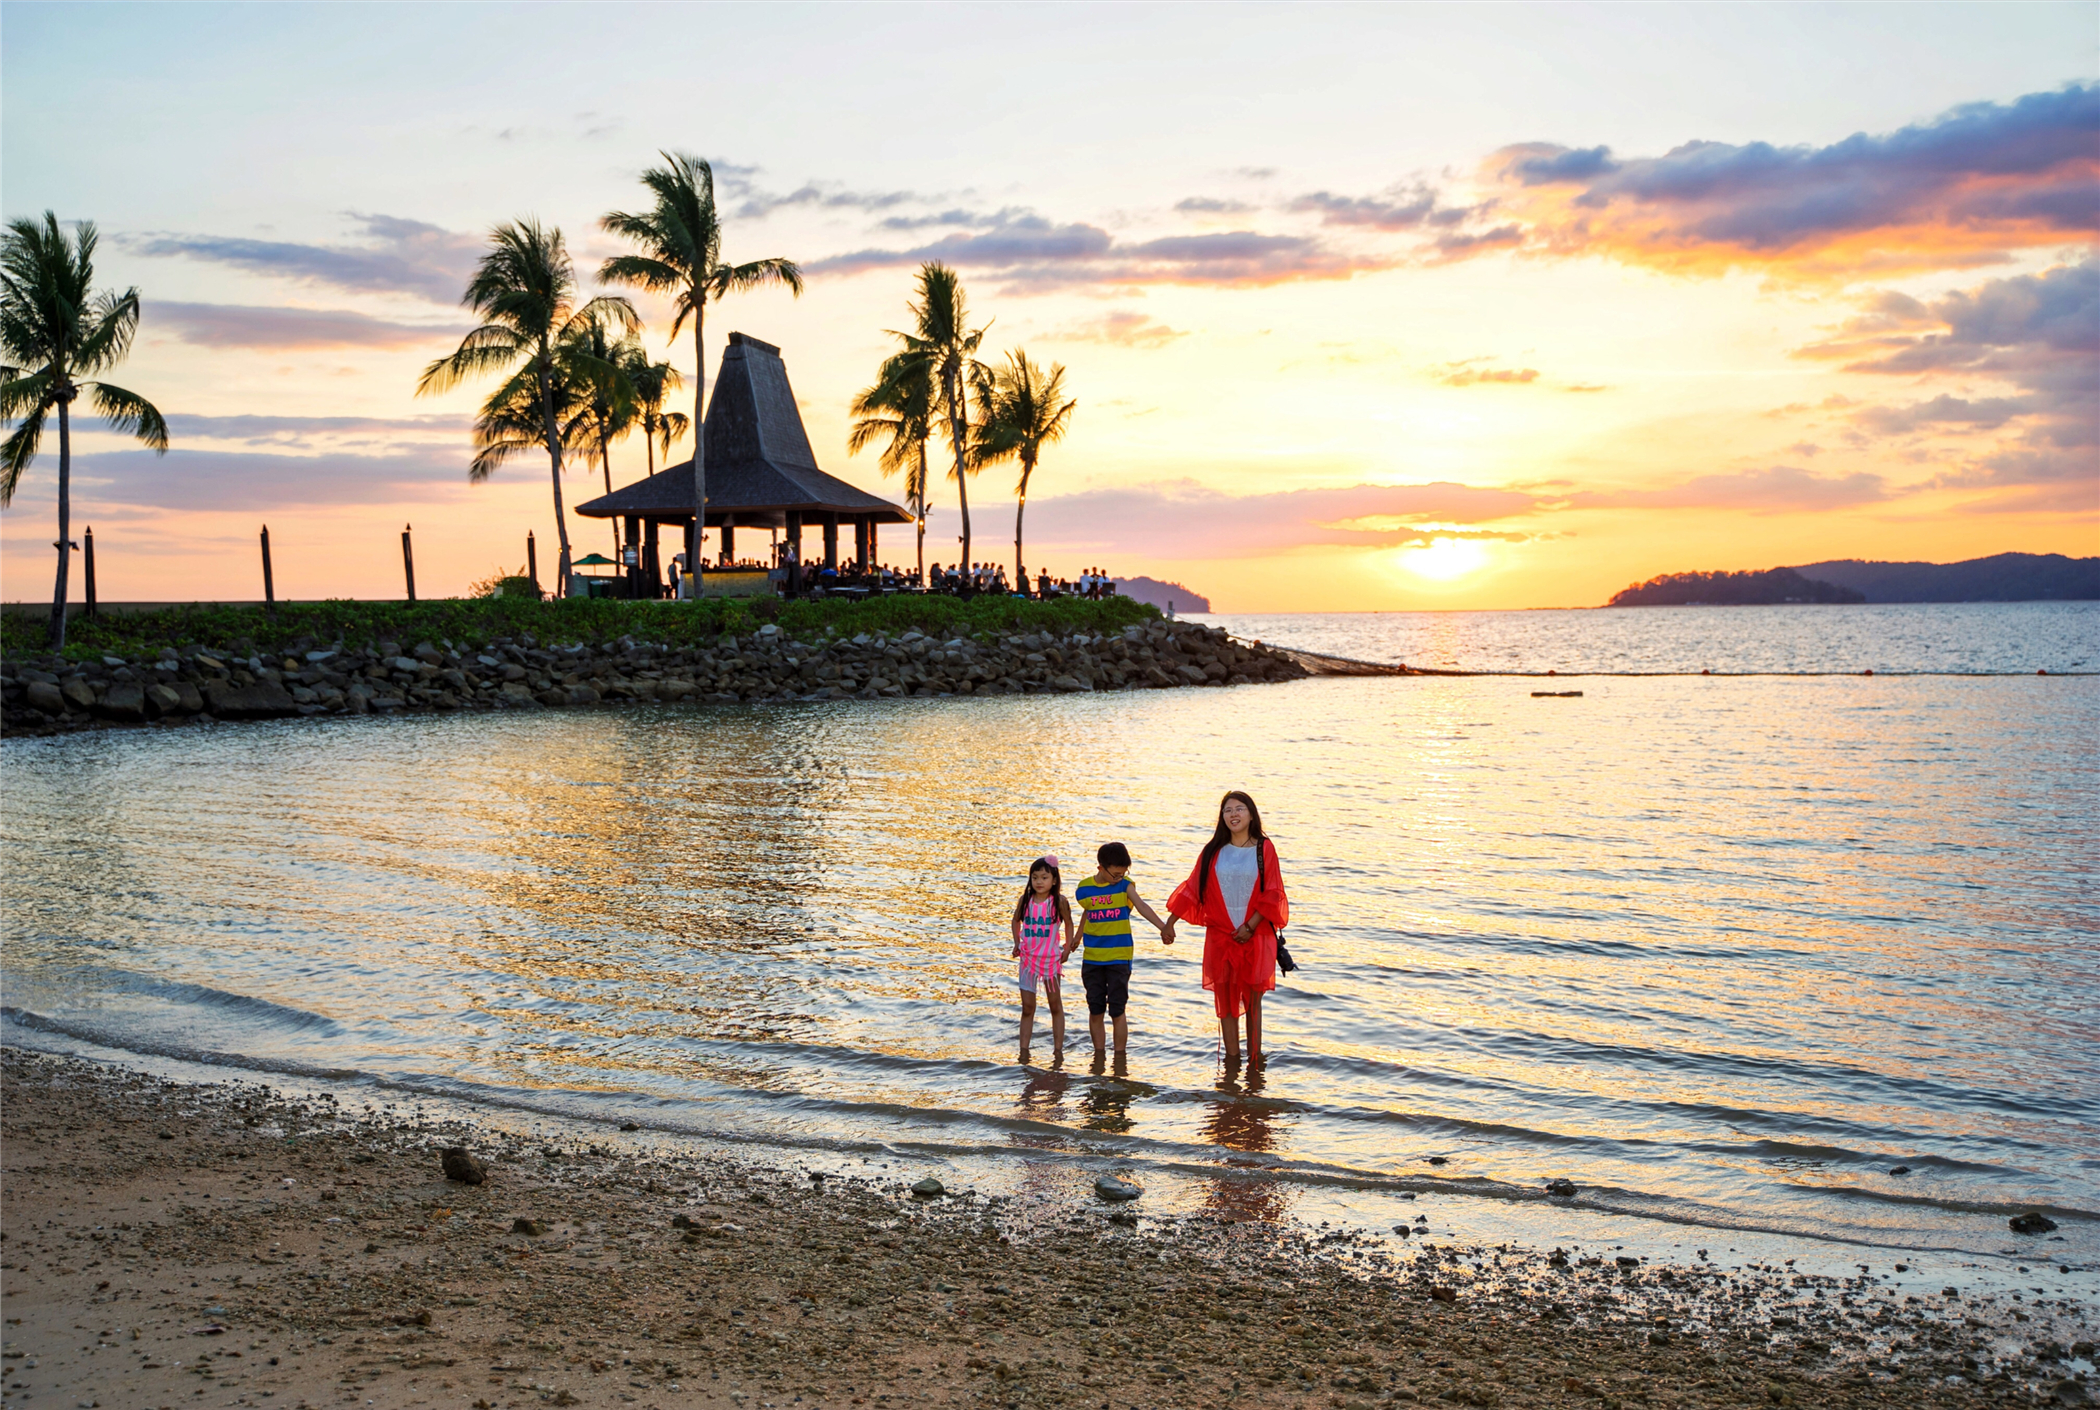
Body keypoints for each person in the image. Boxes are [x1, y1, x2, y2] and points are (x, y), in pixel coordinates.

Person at [1167, 791, 1290, 1066]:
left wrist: (1250, 926)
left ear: (1251, 814)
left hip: (1255, 936)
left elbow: (1272, 892)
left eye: (1239, 809)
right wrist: (1170, 923)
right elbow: (1193, 888)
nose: (1233, 814)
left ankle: (1255, 1063)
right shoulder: (1213, 851)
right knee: (1226, 1006)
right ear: (1222, 817)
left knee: (1253, 1004)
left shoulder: (1264, 849)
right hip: (1221, 936)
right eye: (1227, 810)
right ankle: (1232, 1065)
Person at [1074, 842, 1175, 1057]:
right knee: (1095, 1009)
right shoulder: (1083, 890)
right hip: (1092, 958)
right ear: (1101, 868)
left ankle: (1120, 1057)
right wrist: (1076, 937)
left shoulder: (1125, 886)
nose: (1119, 877)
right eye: (1115, 874)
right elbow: (1088, 912)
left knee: (1117, 1009)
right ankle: (1099, 1056)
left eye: (1123, 873)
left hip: (1119, 957)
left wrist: (1164, 927)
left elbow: (1142, 906)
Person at [1011, 855, 1076, 1058]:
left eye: (1044, 877)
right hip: (1028, 961)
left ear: (1054, 880)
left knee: (1055, 1005)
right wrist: (1016, 943)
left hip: (1050, 962)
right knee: (1028, 1007)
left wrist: (1067, 947)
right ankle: (1024, 1052)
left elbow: (1069, 923)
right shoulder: (1025, 901)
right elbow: (1015, 921)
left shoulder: (1059, 902)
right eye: (1035, 877)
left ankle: (1058, 1050)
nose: (1039, 882)